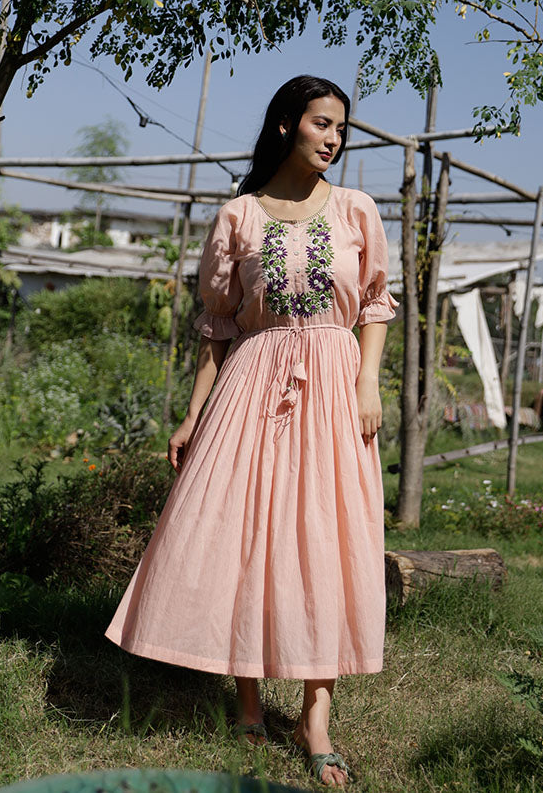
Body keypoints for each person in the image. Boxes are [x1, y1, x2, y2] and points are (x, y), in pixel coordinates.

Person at [105, 74, 398, 787]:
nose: (333, 138)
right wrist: (192, 412)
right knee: (246, 534)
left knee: (327, 538)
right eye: (321, 124)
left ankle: (315, 716)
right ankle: (246, 700)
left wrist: (367, 382)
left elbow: (378, 306)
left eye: (340, 128)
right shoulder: (238, 216)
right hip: (252, 384)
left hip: (333, 383)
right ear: (284, 126)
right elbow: (218, 325)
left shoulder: (358, 210)